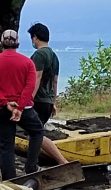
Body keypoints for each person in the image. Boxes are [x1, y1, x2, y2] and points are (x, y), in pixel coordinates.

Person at [0, 29, 44, 180]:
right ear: (18, 42)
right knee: (37, 132)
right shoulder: (27, 63)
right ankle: (31, 167)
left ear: (2, 42)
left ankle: (10, 179)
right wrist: (19, 107)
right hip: (24, 108)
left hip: (2, 108)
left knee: (6, 145)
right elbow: (29, 87)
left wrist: (5, 102)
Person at [27, 23, 68, 164]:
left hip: (37, 100)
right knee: (35, 134)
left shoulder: (39, 55)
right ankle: (35, 162)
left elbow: (36, 78)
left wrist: (28, 99)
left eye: (32, 38)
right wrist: (53, 101)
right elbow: (55, 82)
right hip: (48, 101)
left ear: (35, 38)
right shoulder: (54, 56)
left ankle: (63, 162)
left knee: (36, 133)